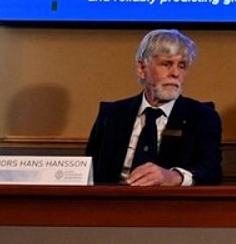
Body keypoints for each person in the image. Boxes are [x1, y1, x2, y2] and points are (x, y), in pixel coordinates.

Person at [84, 28, 221, 186]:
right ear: (142, 69)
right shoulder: (112, 115)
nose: (175, 73)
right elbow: (90, 172)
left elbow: (211, 172)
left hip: (172, 206)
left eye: (182, 65)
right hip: (112, 205)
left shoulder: (202, 117)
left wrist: (173, 177)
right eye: (166, 64)